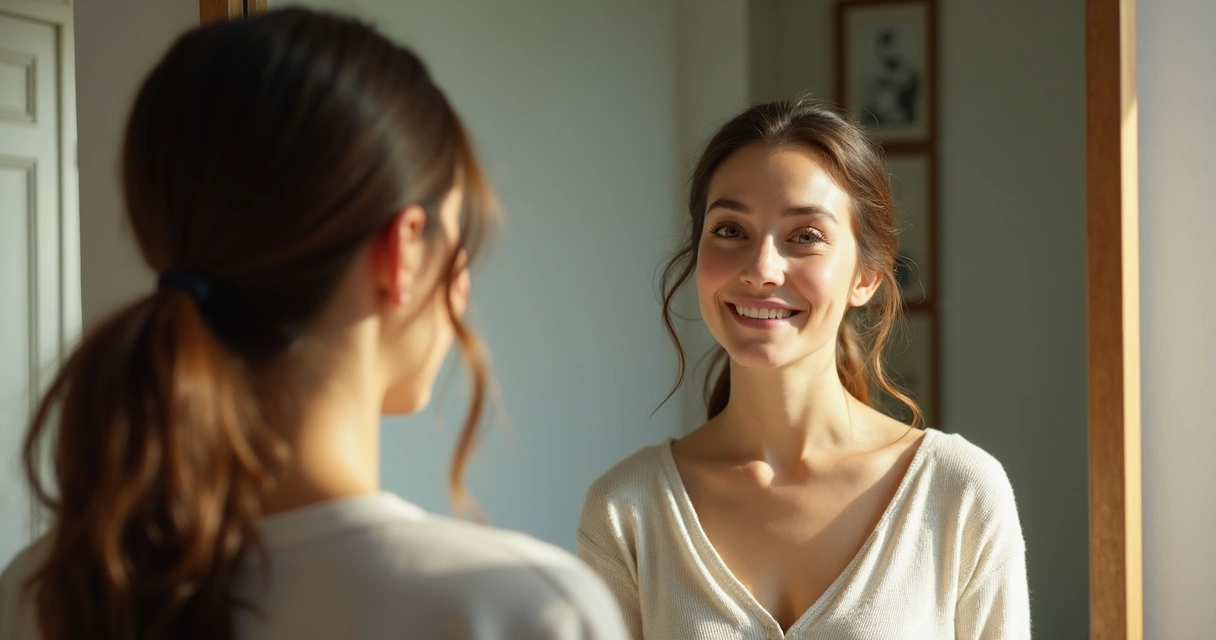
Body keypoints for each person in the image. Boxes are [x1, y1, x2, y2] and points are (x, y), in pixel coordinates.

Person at [0, 9, 626, 640]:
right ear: (403, 252)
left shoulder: (41, 593)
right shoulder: (523, 612)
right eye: (459, 240)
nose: (462, 289)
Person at [577, 97, 1029, 639]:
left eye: (806, 236)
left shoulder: (960, 493)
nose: (762, 269)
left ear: (866, 277)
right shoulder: (626, 509)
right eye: (729, 230)